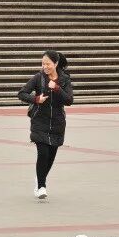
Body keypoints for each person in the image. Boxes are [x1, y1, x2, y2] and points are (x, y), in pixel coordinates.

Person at [18, 51, 73, 199]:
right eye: (43, 63)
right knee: (43, 154)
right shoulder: (38, 77)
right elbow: (22, 93)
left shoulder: (64, 79)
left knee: (50, 157)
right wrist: (36, 99)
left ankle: (39, 178)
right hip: (39, 121)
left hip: (57, 123)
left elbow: (69, 100)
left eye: (48, 64)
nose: (45, 66)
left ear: (55, 63)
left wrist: (57, 88)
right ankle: (41, 186)